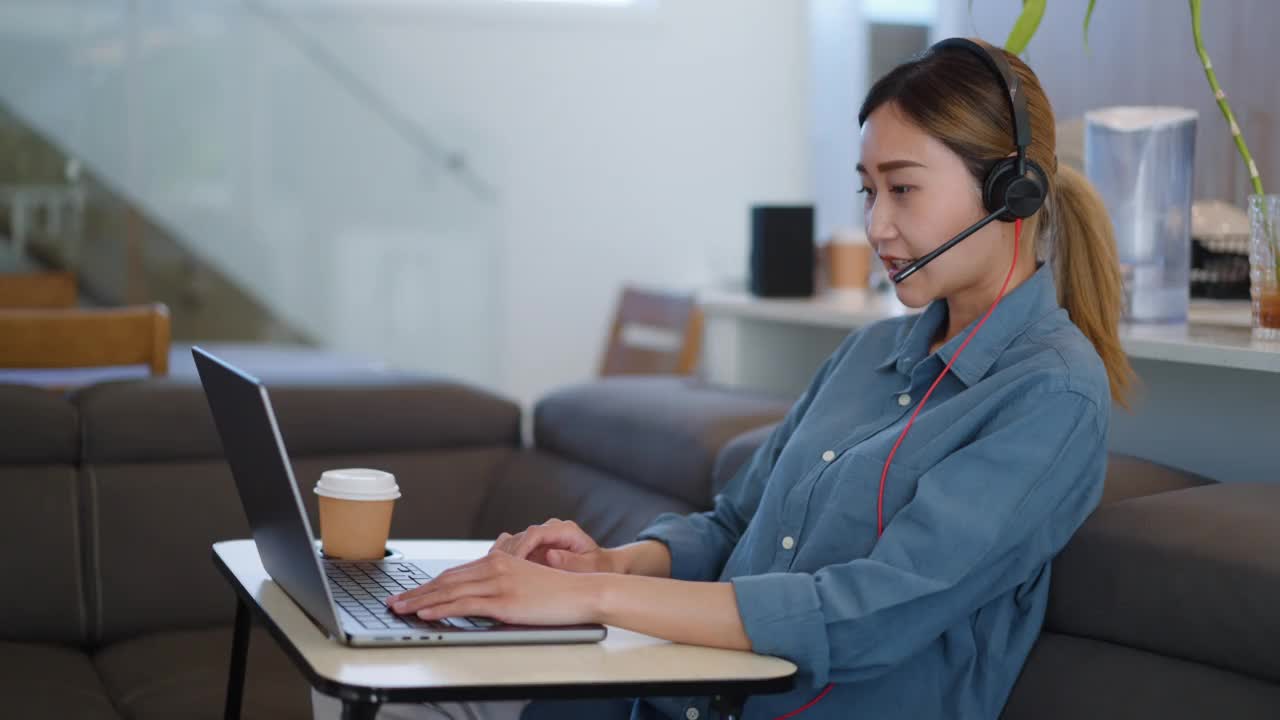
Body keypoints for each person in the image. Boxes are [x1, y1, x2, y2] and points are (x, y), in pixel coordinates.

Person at [313, 37, 1132, 720]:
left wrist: (593, 604)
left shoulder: (1050, 396)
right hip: (670, 692)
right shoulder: (868, 355)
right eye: (868, 191)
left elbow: (869, 613)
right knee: (377, 679)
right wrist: (612, 566)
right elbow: (734, 527)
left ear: (1009, 192)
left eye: (904, 190)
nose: (877, 226)